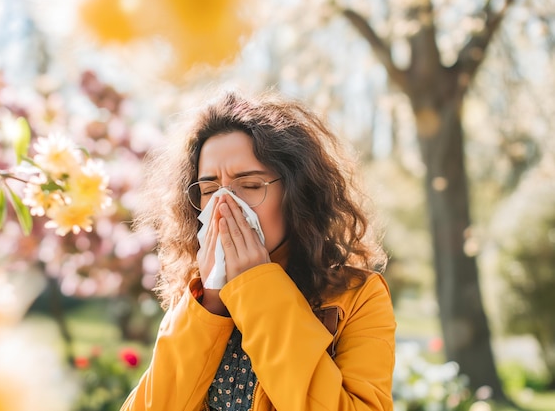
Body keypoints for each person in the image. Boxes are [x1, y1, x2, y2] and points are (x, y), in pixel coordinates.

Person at [121, 90, 396, 411]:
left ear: (296, 193)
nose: (225, 205)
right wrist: (209, 302)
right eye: (210, 189)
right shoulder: (196, 296)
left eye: (250, 185)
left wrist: (257, 286)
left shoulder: (359, 297)